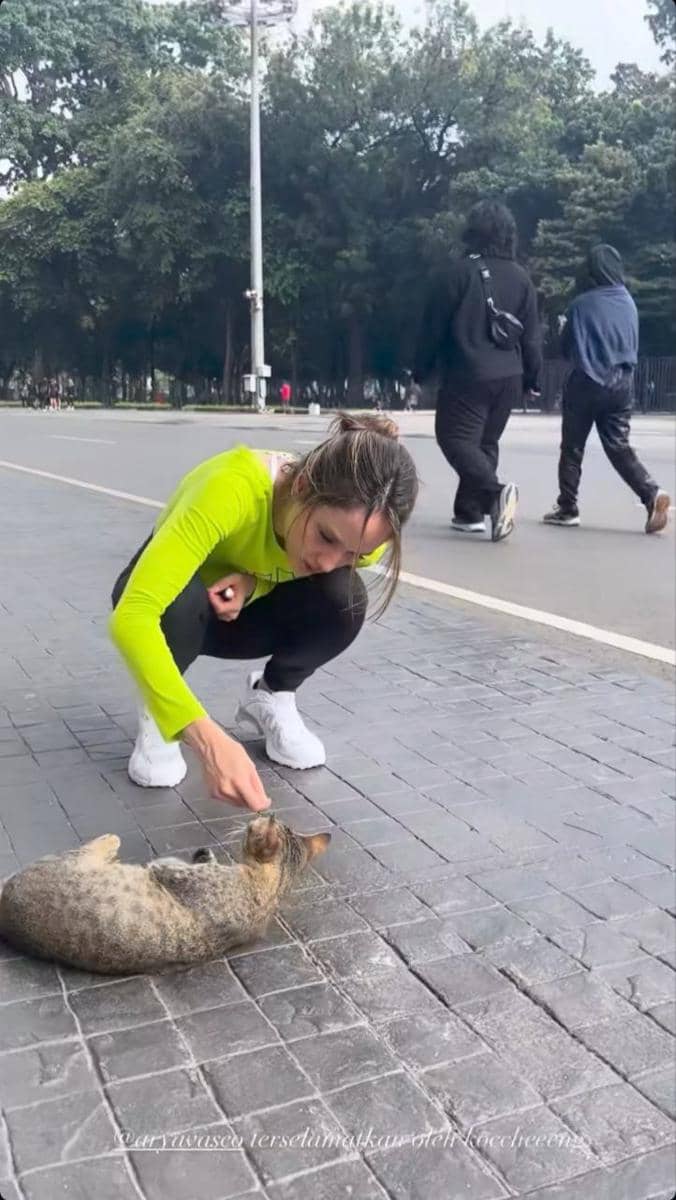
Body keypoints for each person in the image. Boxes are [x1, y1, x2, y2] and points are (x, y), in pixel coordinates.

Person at [110, 414, 419, 811]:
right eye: (325, 536)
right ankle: (162, 712)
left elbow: (295, 567)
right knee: (175, 602)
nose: (330, 561)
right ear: (303, 486)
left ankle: (271, 695)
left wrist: (255, 584)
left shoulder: (365, 534)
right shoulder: (230, 488)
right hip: (175, 614)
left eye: (352, 553)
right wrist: (207, 738)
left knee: (345, 598)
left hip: (237, 615)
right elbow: (133, 614)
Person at [414, 199, 542, 541]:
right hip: (509, 377)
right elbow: (531, 335)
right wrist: (533, 378)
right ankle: (469, 512)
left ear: (472, 231)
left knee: (454, 437)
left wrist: (420, 370)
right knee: (484, 442)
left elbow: (432, 329)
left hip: (468, 373)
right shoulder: (521, 278)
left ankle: (495, 494)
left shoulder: (456, 273)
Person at [543, 244, 670, 533]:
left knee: (573, 446)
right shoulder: (628, 301)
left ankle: (567, 507)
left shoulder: (581, 304)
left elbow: (565, 349)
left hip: (587, 381)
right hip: (622, 384)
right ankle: (651, 493)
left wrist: (565, 327)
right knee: (618, 446)